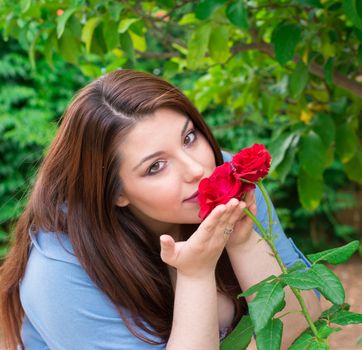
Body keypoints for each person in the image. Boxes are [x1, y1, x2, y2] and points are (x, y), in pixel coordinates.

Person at [0, 69, 321, 349]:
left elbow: (303, 317)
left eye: (189, 137)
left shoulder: (226, 177)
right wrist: (195, 274)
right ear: (116, 193)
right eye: (156, 167)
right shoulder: (60, 269)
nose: (196, 169)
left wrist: (244, 243)